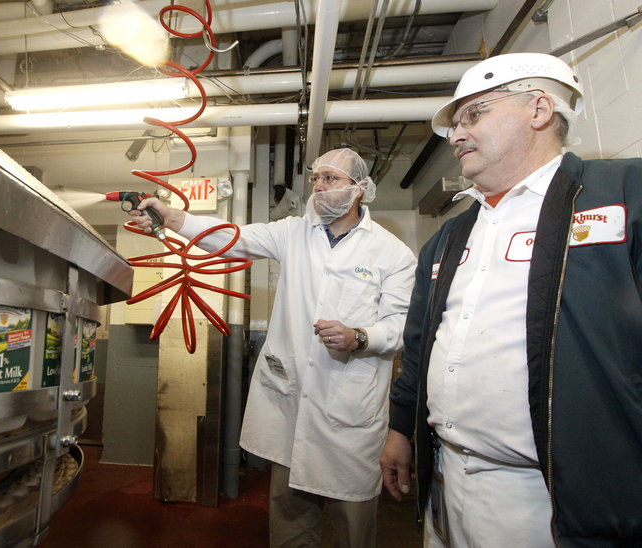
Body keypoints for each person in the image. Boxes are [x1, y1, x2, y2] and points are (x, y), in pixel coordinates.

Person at [380, 51, 642, 547]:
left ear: (539, 110)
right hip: (446, 476)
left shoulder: (623, 194)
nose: (456, 135)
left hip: (554, 496)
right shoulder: (449, 238)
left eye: (473, 115)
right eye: (456, 123)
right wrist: (400, 429)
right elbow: (419, 348)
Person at [129, 148, 416, 547]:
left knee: (353, 520)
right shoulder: (293, 232)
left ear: (360, 189)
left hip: (348, 406)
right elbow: (231, 238)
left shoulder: (392, 254)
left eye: (330, 179)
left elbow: (401, 327)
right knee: (290, 514)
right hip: (292, 404)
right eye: (316, 178)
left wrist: (359, 337)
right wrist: (174, 218)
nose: (319, 187)